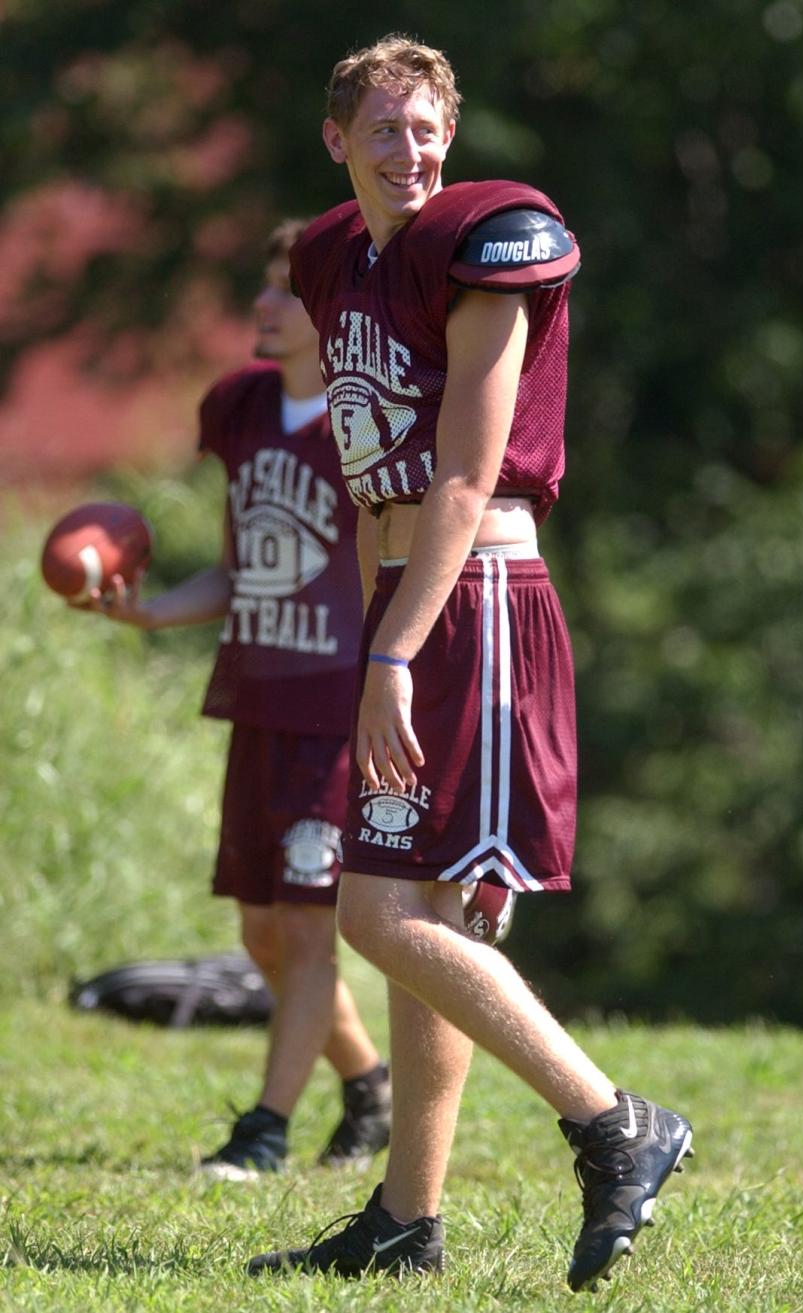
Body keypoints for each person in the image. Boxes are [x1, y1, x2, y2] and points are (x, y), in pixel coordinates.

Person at [245, 36, 693, 1292]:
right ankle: (405, 1219)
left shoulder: (491, 240)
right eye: (384, 129)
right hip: (405, 594)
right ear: (336, 139)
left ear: (456, 131)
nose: (411, 151)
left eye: (428, 127)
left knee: (382, 911)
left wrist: (393, 646)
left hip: (477, 592)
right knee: (410, 905)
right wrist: (376, 617)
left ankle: (613, 1120)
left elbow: (463, 471)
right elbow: (363, 451)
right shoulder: (335, 254)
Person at [78, 220, 392, 1178]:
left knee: (305, 929)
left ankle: (264, 1129)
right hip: (255, 696)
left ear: (334, 316)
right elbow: (236, 569)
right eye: (262, 287)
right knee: (262, 931)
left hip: (333, 707)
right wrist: (148, 615)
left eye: (284, 291)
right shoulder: (241, 408)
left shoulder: (367, 421)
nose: (263, 305)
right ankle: (369, 1083)